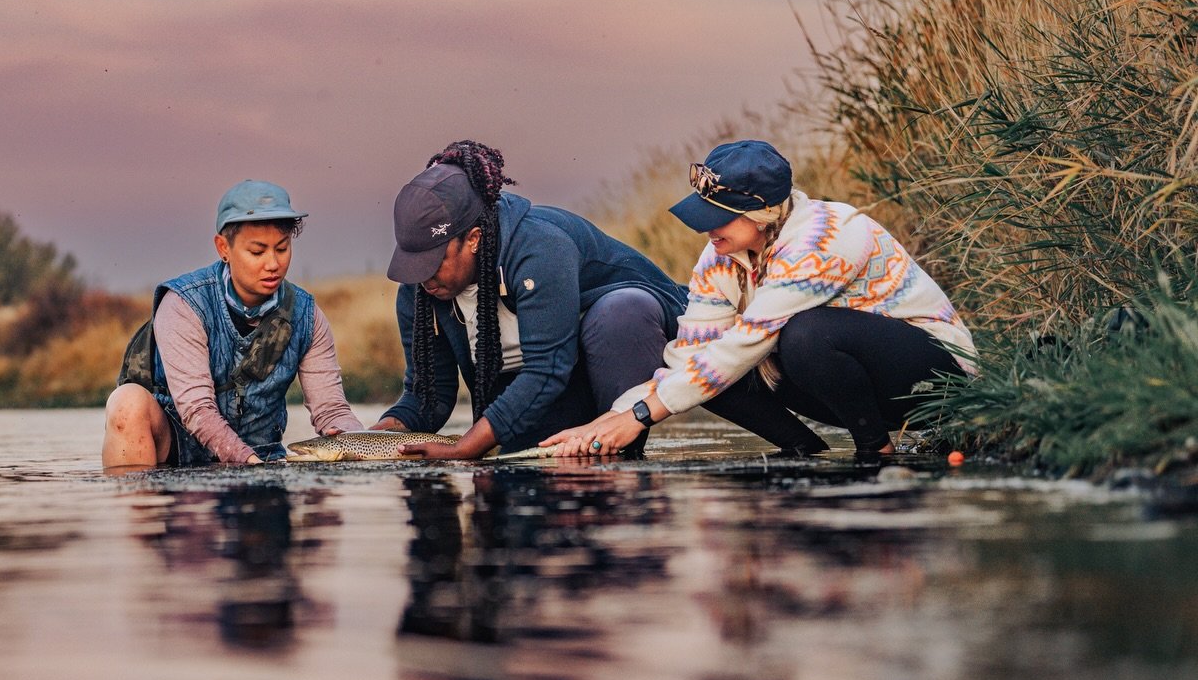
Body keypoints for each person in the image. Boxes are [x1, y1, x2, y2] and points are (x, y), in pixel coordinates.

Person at [542, 139, 977, 458]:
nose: (706, 230)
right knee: (700, 375)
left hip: (937, 377)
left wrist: (639, 417)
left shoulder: (825, 236)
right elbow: (689, 357)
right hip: (849, 383)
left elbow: (749, 340)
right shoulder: (721, 256)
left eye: (719, 218)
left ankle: (874, 453)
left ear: (763, 212)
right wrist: (606, 422)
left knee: (804, 335)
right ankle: (803, 449)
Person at [373, 139, 688, 458]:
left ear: (473, 239)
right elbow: (429, 396)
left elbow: (548, 368)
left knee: (620, 313)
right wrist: (373, 437)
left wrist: (467, 446)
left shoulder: (541, 249)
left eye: (433, 261)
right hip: (538, 388)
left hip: (621, 352)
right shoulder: (420, 288)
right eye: (413, 263)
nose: (422, 276)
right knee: (518, 482)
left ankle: (622, 457)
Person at [101, 180, 362, 472]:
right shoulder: (182, 305)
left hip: (264, 458)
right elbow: (197, 410)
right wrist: (246, 461)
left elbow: (331, 411)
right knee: (127, 403)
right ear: (223, 247)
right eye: (257, 251)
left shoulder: (308, 316)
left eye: (282, 248)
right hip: (178, 452)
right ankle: (142, 507)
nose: (273, 263)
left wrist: (361, 444)